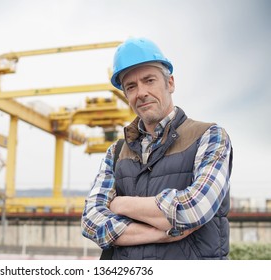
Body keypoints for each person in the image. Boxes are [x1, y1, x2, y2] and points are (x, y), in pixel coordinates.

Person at [81, 37, 233, 260]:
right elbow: (90, 220)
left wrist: (119, 204)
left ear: (170, 83)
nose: (141, 92)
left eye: (149, 80)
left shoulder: (209, 137)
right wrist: (158, 233)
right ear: (126, 96)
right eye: (131, 86)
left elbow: (192, 209)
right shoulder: (116, 152)